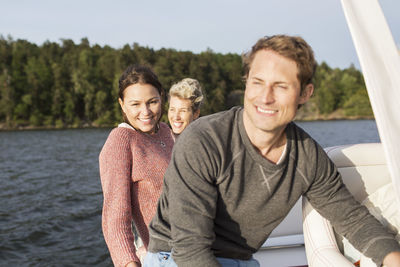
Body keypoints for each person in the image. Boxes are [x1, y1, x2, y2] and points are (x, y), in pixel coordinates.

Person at [144, 35, 400, 267]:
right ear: (246, 84)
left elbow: (352, 219)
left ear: (305, 93)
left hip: (239, 260)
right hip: (174, 257)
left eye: (281, 86)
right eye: (257, 82)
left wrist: (392, 258)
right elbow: (190, 250)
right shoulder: (203, 140)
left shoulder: (308, 157)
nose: (265, 97)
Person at [99, 65, 174, 267]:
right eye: (135, 104)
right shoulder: (121, 140)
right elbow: (115, 218)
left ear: (162, 97)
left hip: (200, 248)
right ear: (122, 105)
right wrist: (129, 263)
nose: (146, 111)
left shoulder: (167, 131)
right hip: (166, 257)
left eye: (152, 102)